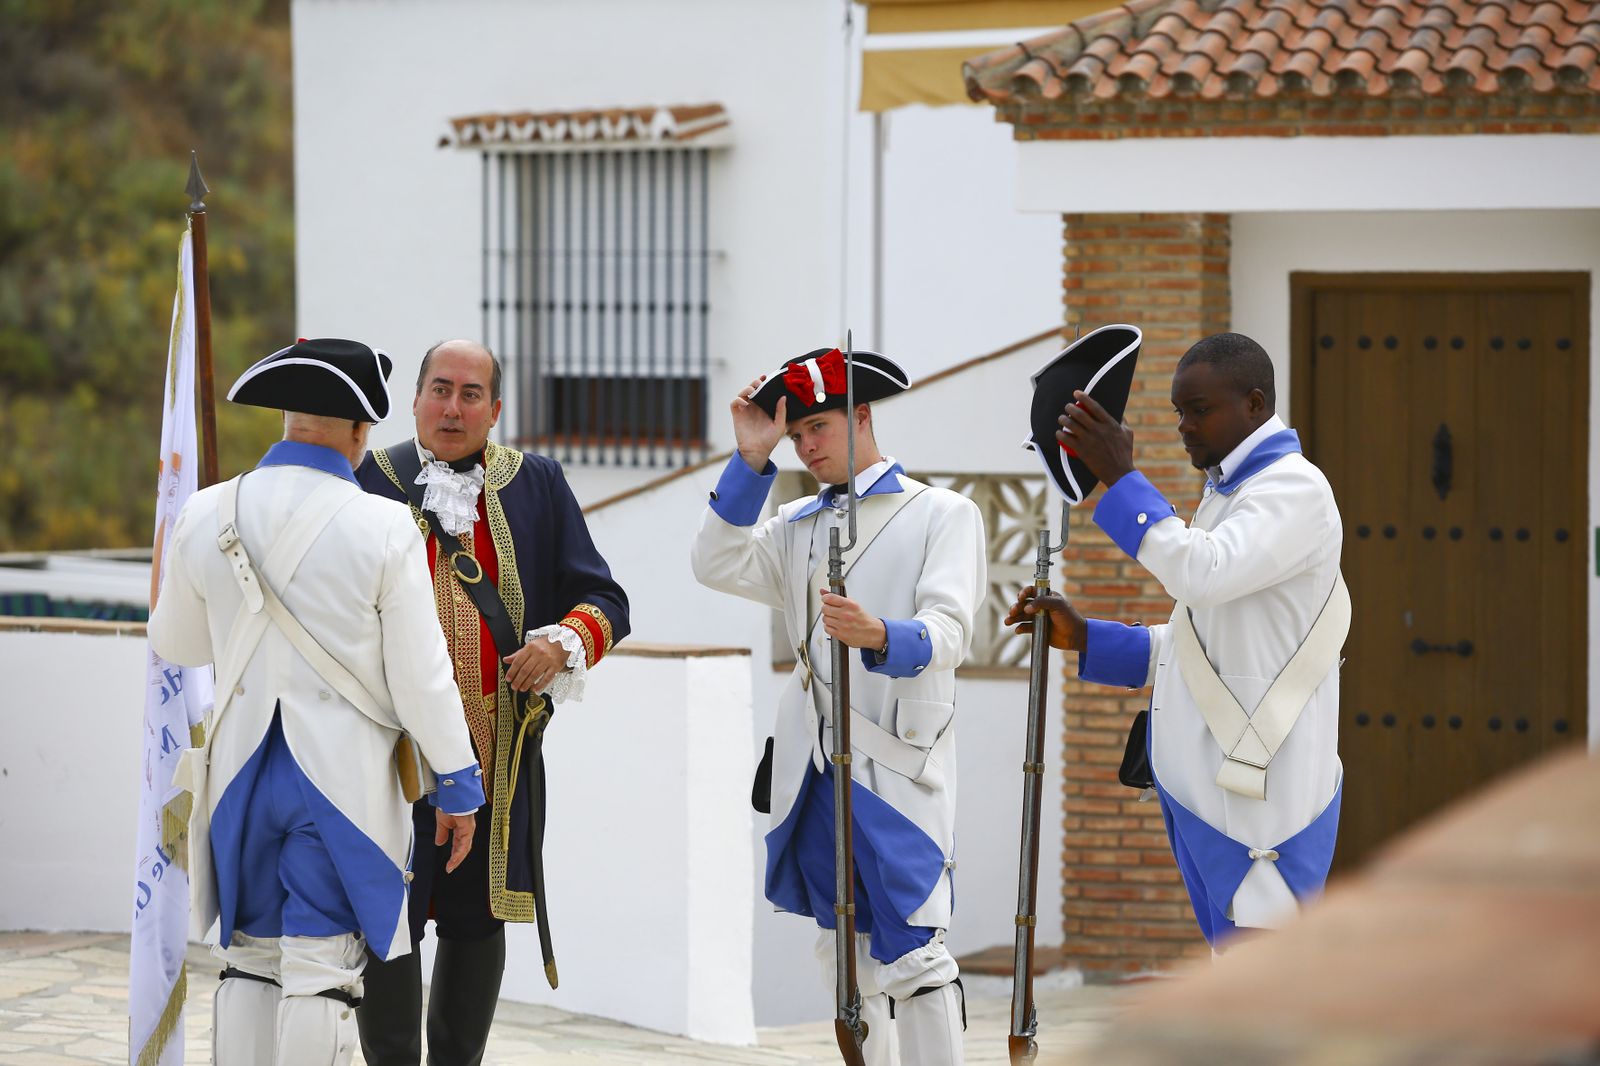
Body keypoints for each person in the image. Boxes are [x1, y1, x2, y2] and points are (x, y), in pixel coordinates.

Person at [148, 338, 484, 1065]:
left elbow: (174, 644)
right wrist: (457, 782)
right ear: (362, 433)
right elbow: (422, 677)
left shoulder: (206, 511)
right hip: (338, 785)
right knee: (321, 971)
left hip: (237, 777)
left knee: (250, 963)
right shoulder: (384, 524)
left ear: (287, 421)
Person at [691, 346, 986, 1066]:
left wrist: (883, 633)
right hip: (814, 769)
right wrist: (751, 461)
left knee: (915, 955)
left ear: (861, 416)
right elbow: (715, 563)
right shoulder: (794, 521)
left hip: (896, 764)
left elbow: (951, 631)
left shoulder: (943, 514)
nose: (808, 446)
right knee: (841, 951)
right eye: (797, 435)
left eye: (818, 427)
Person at [1006, 331, 1346, 948]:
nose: (1185, 426)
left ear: (1255, 403)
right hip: (1214, 794)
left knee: (1258, 1005)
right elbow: (1204, 642)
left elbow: (1203, 574)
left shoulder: (1293, 489)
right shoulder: (1232, 490)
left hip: (1262, 802)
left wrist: (1121, 477)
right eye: (1178, 412)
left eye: (1200, 409)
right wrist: (1087, 637)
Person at [354, 338, 630, 1066]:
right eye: (440, 389)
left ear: (495, 409)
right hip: (387, 759)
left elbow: (605, 599)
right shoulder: (368, 480)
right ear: (415, 400)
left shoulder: (536, 482)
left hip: (499, 762)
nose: (453, 407)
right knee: (390, 920)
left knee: (477, 923)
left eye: (470, 394)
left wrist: (562, 641)